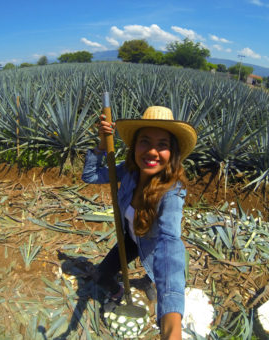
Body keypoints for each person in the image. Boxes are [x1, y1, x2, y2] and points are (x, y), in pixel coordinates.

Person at [82, 106, 197, 339]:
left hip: (153, 248)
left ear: (172, 152)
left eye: (162, 144)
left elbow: (169, 242)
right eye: (145, 141)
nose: (152, 151)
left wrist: (172, 328)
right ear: (134, 146)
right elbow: (90, 175)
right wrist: (102, 147)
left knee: (157, 275)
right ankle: (118, 292)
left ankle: (148, 282)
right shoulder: (128, 171)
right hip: (131, 239)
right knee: (103, 275)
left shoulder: (172, 192)